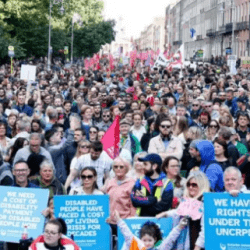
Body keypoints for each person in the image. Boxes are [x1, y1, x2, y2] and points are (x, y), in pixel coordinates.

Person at [156, 171, 210, 250]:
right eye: (188, 184)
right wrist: (165, 213)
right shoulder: (188, 200)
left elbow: (205, 229)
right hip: (187, 242)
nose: (190, 187)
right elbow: (178, 212)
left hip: (199, 245)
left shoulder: (205, 201)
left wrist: (198, 247)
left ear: (201, 185)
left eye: (194, 185)